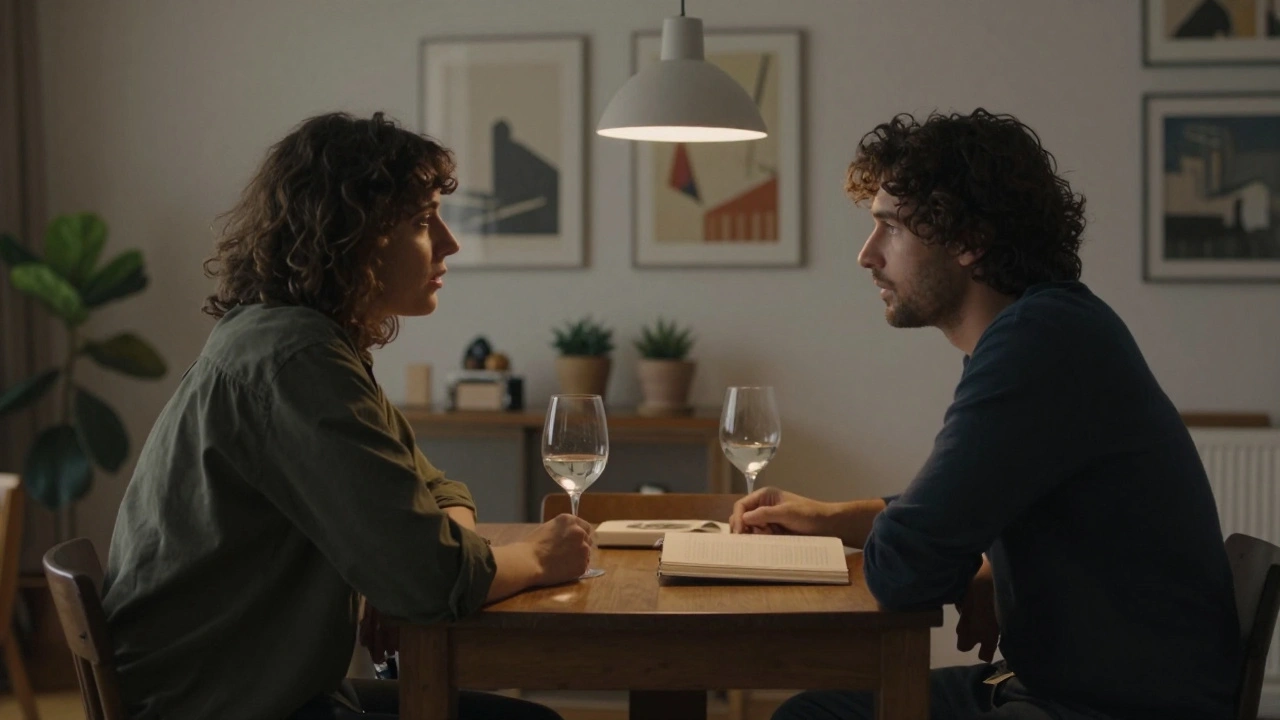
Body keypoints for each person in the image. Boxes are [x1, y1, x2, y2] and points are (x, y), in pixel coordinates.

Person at [730, 109, 1242, 720]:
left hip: (1100, 707)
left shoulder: (1039, 343)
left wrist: (970, 559)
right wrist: (834, 518)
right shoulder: (1046, 329)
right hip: (1066, 687)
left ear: (969, 239)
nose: (867, 256)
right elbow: (958, 514)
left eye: (890, 228)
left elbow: (907, 570)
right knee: (811, 713)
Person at [102, 112, 590, 720]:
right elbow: (432, 580)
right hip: (220, 702)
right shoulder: (296, 359)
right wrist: (540, 556)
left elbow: (435, 490)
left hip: (242, 684)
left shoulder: (305, 342)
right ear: (348, 236)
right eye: (420, 220)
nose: (449, 242)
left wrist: (402, 555)